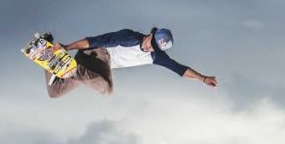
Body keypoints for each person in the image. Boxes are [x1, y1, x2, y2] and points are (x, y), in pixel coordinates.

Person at [41, 28, 218, 98]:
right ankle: (69, 67)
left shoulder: (156, 56)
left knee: (54, 92)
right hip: (97, 53)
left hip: (90, 69)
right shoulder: (129, 37)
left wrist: (203, 79)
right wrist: (67, 46)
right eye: (152, 44)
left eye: (156, 48)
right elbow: (94, 40)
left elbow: (180, 69)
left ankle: (47, 52)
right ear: (151, 34)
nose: (150, 49)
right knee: (106, 88)